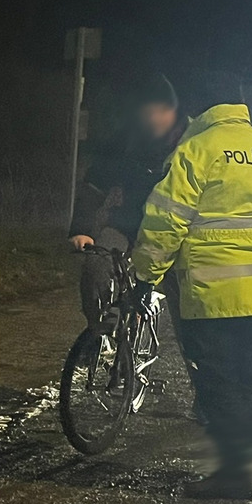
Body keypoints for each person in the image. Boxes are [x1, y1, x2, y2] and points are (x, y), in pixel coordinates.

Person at [131, 84, 252, 500]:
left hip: (213, 289)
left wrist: (146, 275)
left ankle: (234, 475)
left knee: (219, 380)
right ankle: (247, 463)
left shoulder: (196, 151)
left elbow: (165, 221)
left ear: (200, 110)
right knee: (250, 376)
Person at [68, 72, 187, 329]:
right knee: (95, 267)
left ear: (173, 110)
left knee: (186, 299)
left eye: (159, 111)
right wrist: (82, 229)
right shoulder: (125, 141)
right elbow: (94, 185)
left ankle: (188, 345)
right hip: (129, 225)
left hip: (177, 234)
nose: (152, 119)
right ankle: (101, 334)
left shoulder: (192, 142)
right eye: (146, 113)